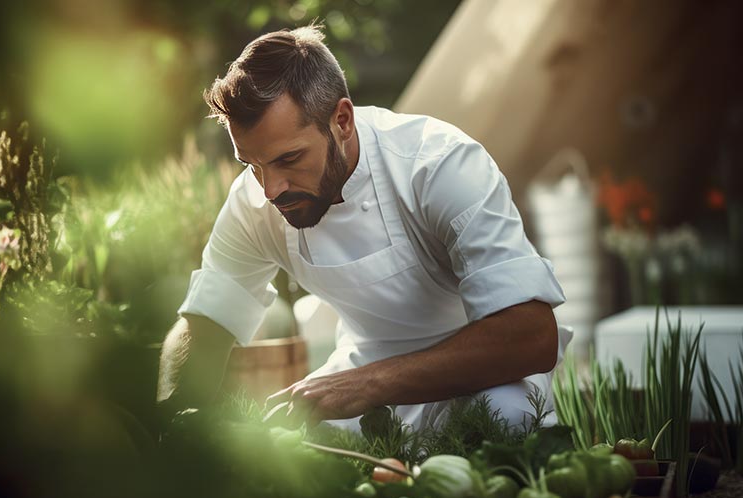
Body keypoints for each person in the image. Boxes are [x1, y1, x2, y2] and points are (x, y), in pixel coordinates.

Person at [157, 24, 571, 433]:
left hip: (484, 376)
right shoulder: (253, 202)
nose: (270, 190)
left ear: (342, 120)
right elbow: (206, 326)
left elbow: (531, 335)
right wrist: (171, 428)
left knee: (507, 418)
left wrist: (369, 383)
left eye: (289, 159)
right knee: (294, 450)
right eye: (252, 164)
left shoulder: (439, 164)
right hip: (357, 384)